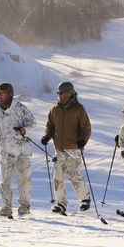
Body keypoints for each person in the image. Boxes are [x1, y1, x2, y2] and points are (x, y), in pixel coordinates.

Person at [0, 82, 36, 217]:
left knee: (23, 179)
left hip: (22, 151)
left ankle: (24, 206)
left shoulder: (20, 108)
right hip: (5, 152)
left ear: (9, 94)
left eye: (3, 93)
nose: (0, 96)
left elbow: (32, 122)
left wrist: (23, 130)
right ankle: (6, 206)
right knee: (4, 181)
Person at [40, 81, 92, 215]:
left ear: (69, 94)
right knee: (58, 177)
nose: (59, 95)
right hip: (59, 149)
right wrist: (46, 136)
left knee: (74, 175)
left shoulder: (78, 109)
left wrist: (82, 141)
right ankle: (61, 203)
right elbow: (50, 126)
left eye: (61, 93)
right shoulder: (55, 109)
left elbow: (86, 128)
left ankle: (85, 199)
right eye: (58, 93)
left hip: (74, 148)